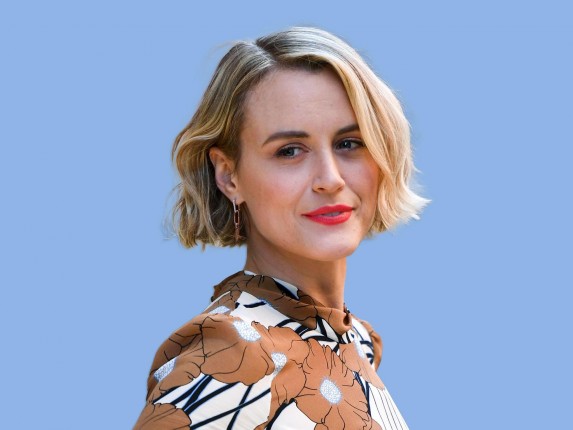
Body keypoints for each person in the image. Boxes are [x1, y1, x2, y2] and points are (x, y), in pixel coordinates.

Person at [134, 27, 428, 429]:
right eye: (289, 151)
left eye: (349, 143)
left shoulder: (353, 341)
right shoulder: (228, 358)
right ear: (229, 176)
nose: (330, 179)